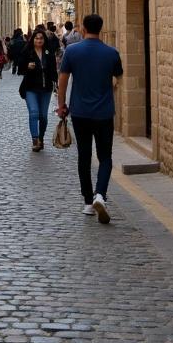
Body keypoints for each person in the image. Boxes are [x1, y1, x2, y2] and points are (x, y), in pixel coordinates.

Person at [57, 13, 123, 223]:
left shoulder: (72, 51)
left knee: (84, 157)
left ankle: (88, 202)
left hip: (80, 113)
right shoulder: (111, 53)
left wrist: (61, 106)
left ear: (83, 29)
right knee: (105, 157)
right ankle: (100, 195)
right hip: (103, 112)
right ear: (101, 29)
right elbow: (117, 80)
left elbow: (63, 81)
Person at [17, 29, 58, 152]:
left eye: (41, 38)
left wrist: (57, 83)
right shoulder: (27, 51)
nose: (39, 40)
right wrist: (27, 67)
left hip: (46, 89)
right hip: (31, 87)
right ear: (33, 39)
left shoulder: (48, 52)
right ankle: (35, 140)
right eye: (36, 38)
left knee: (43, 116)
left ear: (44, 40)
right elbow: (20, 68)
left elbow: (53, 69)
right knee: (34, 112)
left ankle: (41, 137)